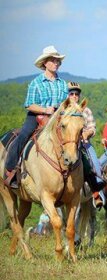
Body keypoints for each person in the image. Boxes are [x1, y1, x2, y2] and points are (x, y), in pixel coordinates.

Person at [4, 46, 68, 188]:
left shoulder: (63, 84)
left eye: (57, 61)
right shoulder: (36, 83)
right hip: (37, 116)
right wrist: (45, 110)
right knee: (24, 135)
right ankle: (10, 170)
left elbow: (65, 103)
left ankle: (87, 177)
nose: (56, 63)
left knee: (75, 139)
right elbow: (29, 105)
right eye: (52, 60)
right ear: (45, 63)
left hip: (58, 118)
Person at [66, 82, 106, 208]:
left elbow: (92, 127)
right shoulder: (63, 109)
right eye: (71, 93)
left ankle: (96, 193)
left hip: (83, 144)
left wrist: (87, 133)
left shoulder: (86, 110)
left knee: (94, 163)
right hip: (67, 143)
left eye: (76, 94)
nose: (74, 96)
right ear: (67, 95)